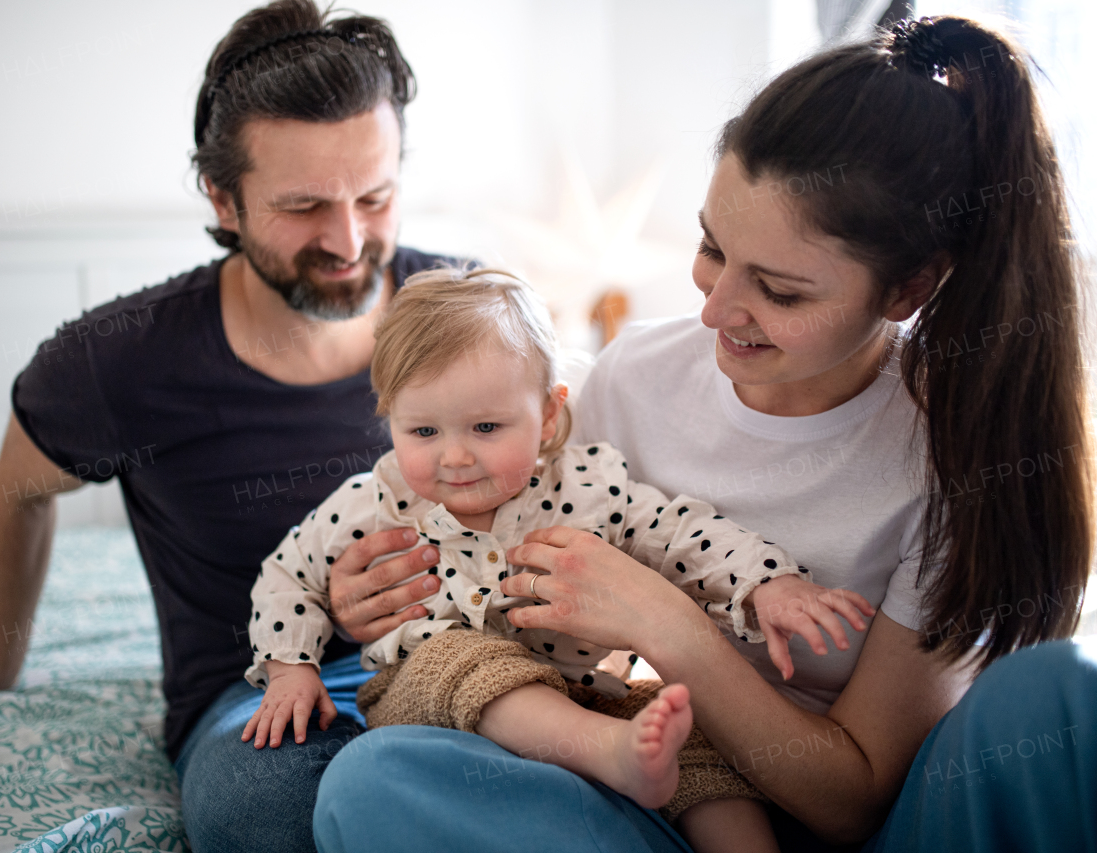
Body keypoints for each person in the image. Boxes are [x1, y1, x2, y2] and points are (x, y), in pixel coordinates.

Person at [312, 16, 1097, 853]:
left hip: (874, 823)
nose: (714, 311)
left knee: (1058, 694)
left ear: (906, 290)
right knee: (376, 779)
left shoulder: (955, 455)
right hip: (674, 797)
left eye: (780, 291)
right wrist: (378, 586)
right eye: (711, 247)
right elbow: (497, 554)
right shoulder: (633, 378)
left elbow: (856, 798)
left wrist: (670, 626)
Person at [0, 2, 461, 850]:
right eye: (304, 206)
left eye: (375, 196)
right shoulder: (122, 359)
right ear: (223, 198)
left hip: (467, 663)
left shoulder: (462, 311)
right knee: (264, 817)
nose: (347, 239)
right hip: (255, 698)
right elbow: (17, 490)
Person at [242, 268, 876, 853]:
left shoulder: (588, 487)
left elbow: (680, 533)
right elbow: (286, 573)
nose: (454, 458)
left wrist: (769, 583)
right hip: (428, 698)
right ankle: (607, 754)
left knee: (694, 742)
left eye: (485, 429)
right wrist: (289, 669)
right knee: (466, 656)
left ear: (548, 415)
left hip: (585, 693)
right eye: (423, 432)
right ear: (390, 419)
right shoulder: (375, 503)